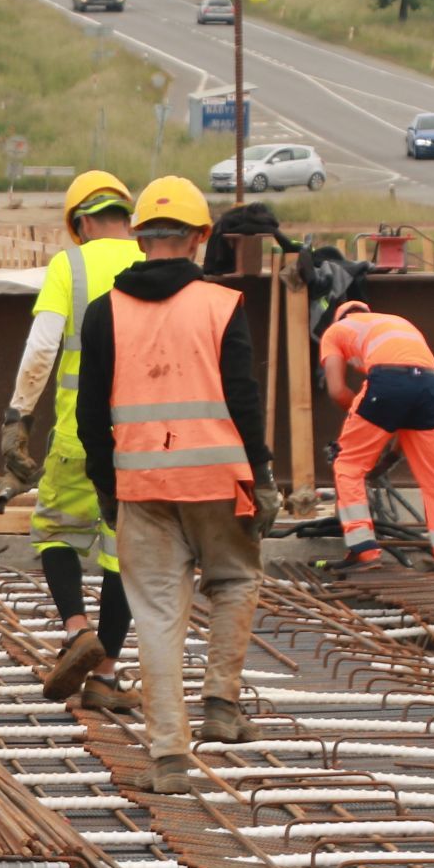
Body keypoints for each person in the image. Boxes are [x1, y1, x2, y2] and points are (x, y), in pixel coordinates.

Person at [78, 176, 276, 795]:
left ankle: (168, 756)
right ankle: (221, 703)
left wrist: (108, 487)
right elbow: (244, 401)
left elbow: (91, 415)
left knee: (158, 615)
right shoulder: (221, 305)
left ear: (140, 239)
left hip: (142, 485)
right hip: (218, 478)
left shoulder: (104, 311)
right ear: (199, 237)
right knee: (237, 578)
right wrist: (263, 476)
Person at [1, 171, 142, 711]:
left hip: (78, 437)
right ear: (127, 217)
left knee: (55, 531)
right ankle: (105, 677)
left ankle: (78, 630)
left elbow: (41, 351)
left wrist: (18, 417)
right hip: (141, 440)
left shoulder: (71, 264)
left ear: (80, 222)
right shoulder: (151, 265)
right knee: (122, 554)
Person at [318, 300, 434, 575]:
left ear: (340, 318)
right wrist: (391, 452)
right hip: (430, 386)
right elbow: (410, 404)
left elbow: (338, 391)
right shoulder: (399, 323)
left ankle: (364, 551)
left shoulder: (336, 331)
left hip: (387, 382)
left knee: (348, 465)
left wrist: (371, 427)